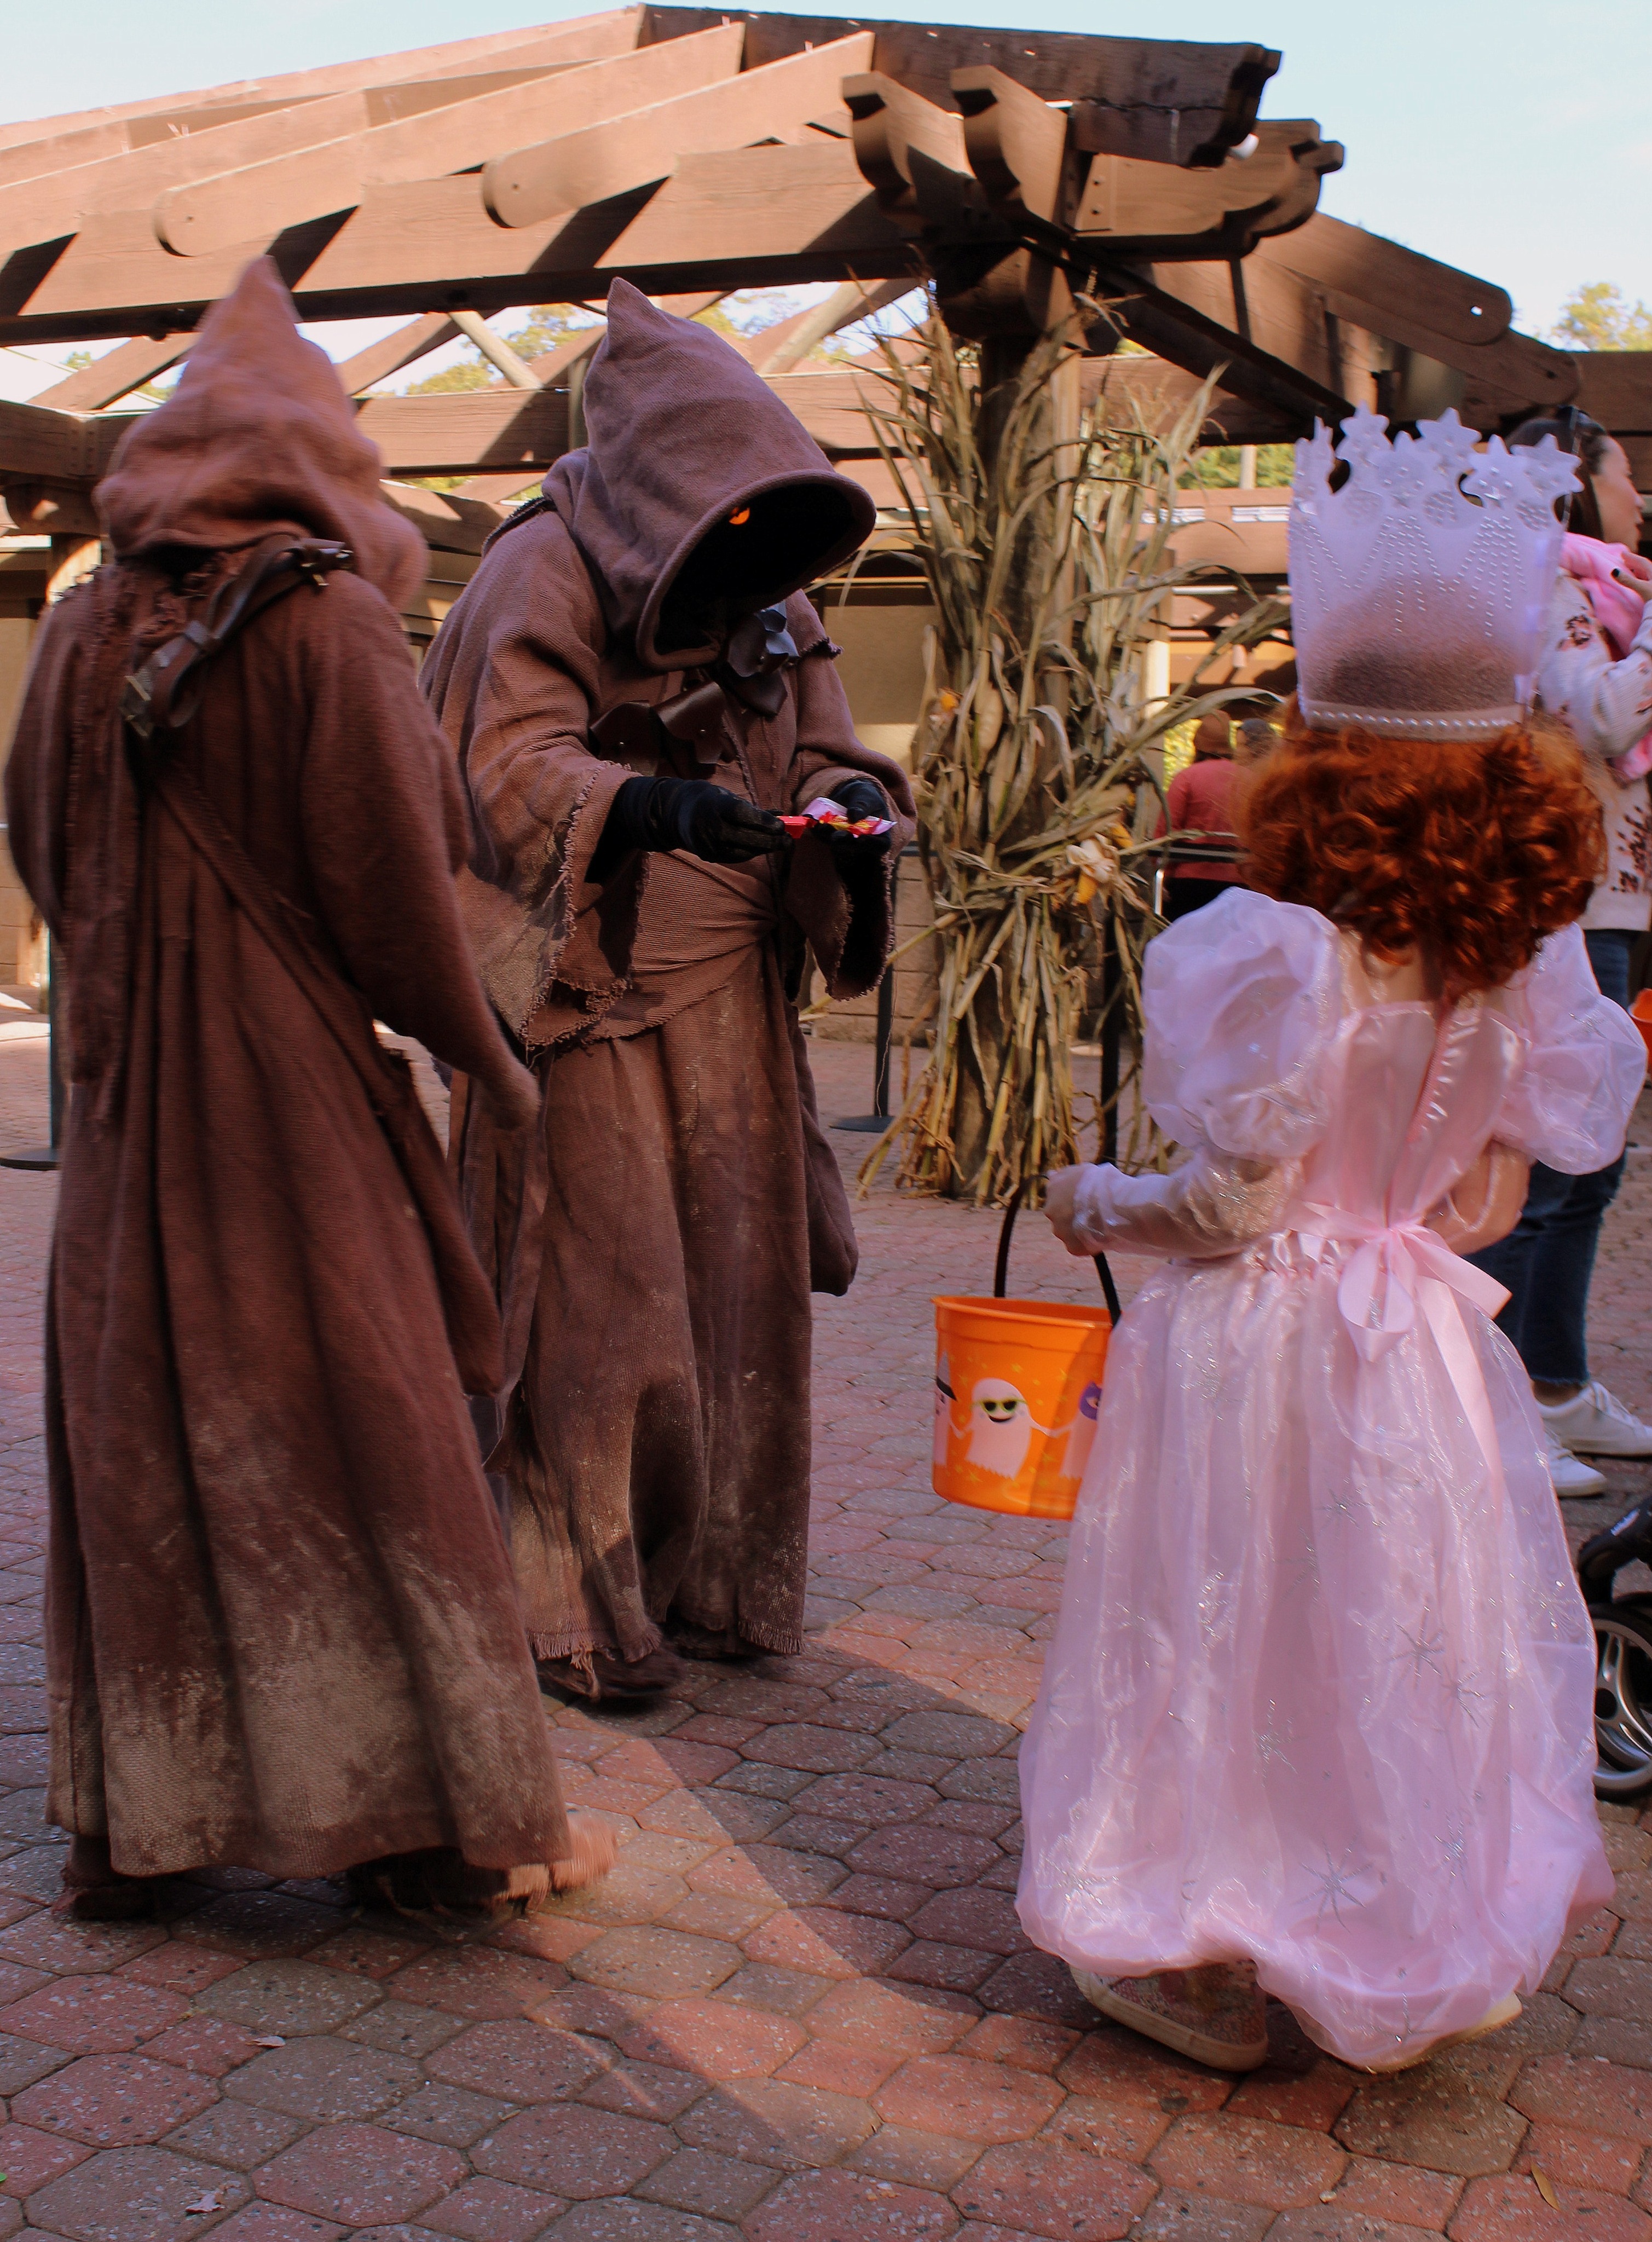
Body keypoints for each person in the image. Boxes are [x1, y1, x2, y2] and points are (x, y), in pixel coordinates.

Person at [1020, 408, 1645, 2073]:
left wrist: (1093, 1202)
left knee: (1219, 1627)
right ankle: (1409, 1925)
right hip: (1423, 1338)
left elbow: (1231, 1206)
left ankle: (1198, 1957)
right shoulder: (1527, 964)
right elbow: (1485, 1213)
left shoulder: (1275, 950)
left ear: (1320, 753)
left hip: (1253, 1336)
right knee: (1393, 1628)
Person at [4, 259, 611, 1919]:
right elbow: (397, 888)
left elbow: (42, 849)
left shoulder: (78, 624)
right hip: (288, 1111)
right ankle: (434, 1836)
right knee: (370, 1424)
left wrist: (131, 974)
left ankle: (142, 1832)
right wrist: (487, 1049)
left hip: (123, 1117)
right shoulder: (329, 620)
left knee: (144, 1442)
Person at [422, 282, 915, 1703]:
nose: (751, 558)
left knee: (735, 1298)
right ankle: (572, 1609)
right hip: (587, 998)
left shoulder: (777, 584)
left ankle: (717, 1584)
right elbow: (494, 767)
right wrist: (641, 805)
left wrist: (844, 809)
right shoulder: (542, 568)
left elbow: (823, 749)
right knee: (601, 1305)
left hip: (733, 1013)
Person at [1465, 411, 1652, 1496]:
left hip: (1608, 901)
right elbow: (1595, 720)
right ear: (1578, 483)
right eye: (1626, 477)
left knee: (1590, 1161)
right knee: (1541, 1161)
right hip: (1566, 907)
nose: (1638, 498)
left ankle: (1558, 1379)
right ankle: (1498, 1401)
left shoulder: (1595, 597)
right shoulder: (1551, 589)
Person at [1159, 712, 1241, 918]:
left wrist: (1166, 874)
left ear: (1198, 747)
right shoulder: (1250, 779)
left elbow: (1165, 833)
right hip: (1240, 886)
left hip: (1189, 885)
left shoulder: (1186, 778)